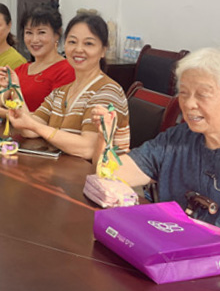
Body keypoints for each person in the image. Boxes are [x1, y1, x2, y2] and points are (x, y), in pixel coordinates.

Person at [87, 48, 220, 226]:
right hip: (168, 238)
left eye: (202, 95)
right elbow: (109, 173)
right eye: (183, 93)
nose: (189, 104)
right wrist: (105, 135)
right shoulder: (176, 139)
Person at [6, 12, 129, 159]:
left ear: (103, 50)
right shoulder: (61, 92)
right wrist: (15, 87)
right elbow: (29, 129)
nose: (78, 49)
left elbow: (88, 149)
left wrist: (36, 127)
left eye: (88, 43)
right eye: (72, 42)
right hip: (62, 168)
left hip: (97, 172)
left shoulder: (108, 91)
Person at [0, 4, 75, 116]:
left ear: (57, 34)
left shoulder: (67, 70)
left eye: (41, 32)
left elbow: (51, 119)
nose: (34, 40)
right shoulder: (20, 70)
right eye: (29, 33)